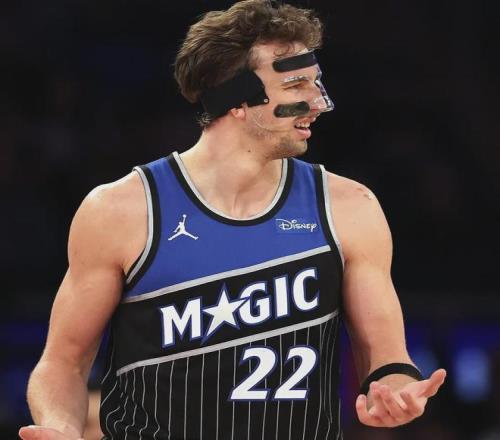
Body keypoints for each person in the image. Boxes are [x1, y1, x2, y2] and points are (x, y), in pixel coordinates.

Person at [19, 1, 446, 439]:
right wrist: (60, 427)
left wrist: (396, 390)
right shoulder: (120, 211)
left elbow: (387, 358)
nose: (318, 102)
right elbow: (62, 364)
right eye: (296, 84)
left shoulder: (349, 206)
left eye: (316, 83)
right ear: (238, 99)